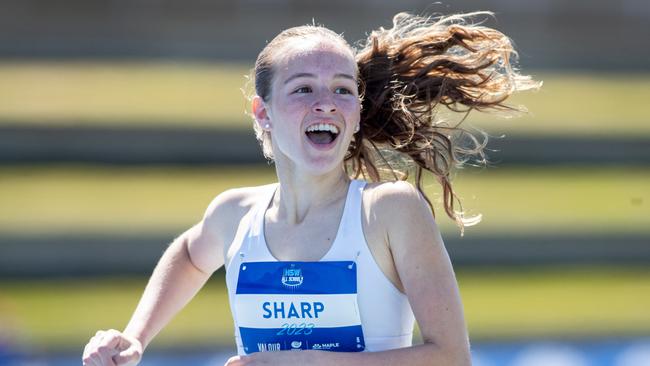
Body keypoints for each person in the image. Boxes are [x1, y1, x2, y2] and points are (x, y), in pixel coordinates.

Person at [82, 11, 539, 366]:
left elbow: (451, 358)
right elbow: (187, 254)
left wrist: (312, 361)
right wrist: (135, 336)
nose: (326, 103)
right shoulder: (234, 214)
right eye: (302, 89)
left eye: (342, 90)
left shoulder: (389, 211)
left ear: (356, 113)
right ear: (263, 113)